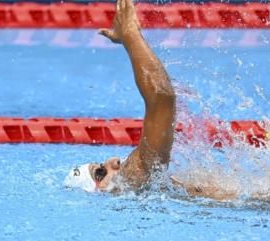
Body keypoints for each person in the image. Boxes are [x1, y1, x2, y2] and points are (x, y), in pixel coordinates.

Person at [64, 0, 238, 200]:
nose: (113, 161)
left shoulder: (138, 187)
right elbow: (163, 97)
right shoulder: (129, 181)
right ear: (98, 191)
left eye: (100, 165)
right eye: (100, 173)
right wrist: (129, 34)